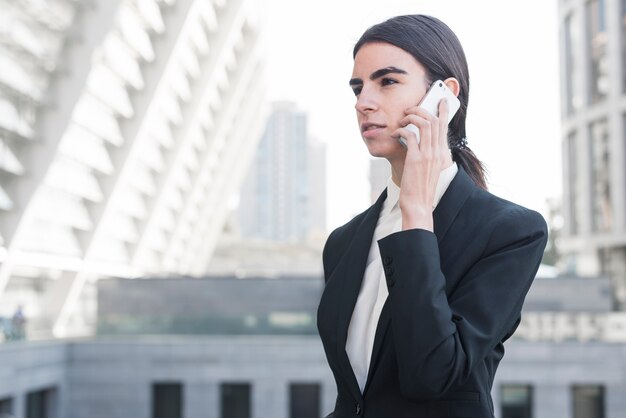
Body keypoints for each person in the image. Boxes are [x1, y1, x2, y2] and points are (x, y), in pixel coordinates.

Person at [316, 15, 548, 418]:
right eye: (358, 87)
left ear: (444, 96)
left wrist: (418, 214)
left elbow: (432, 374)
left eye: (386, 81)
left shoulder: (511, 232)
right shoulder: (343, 241)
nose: (362, 102)